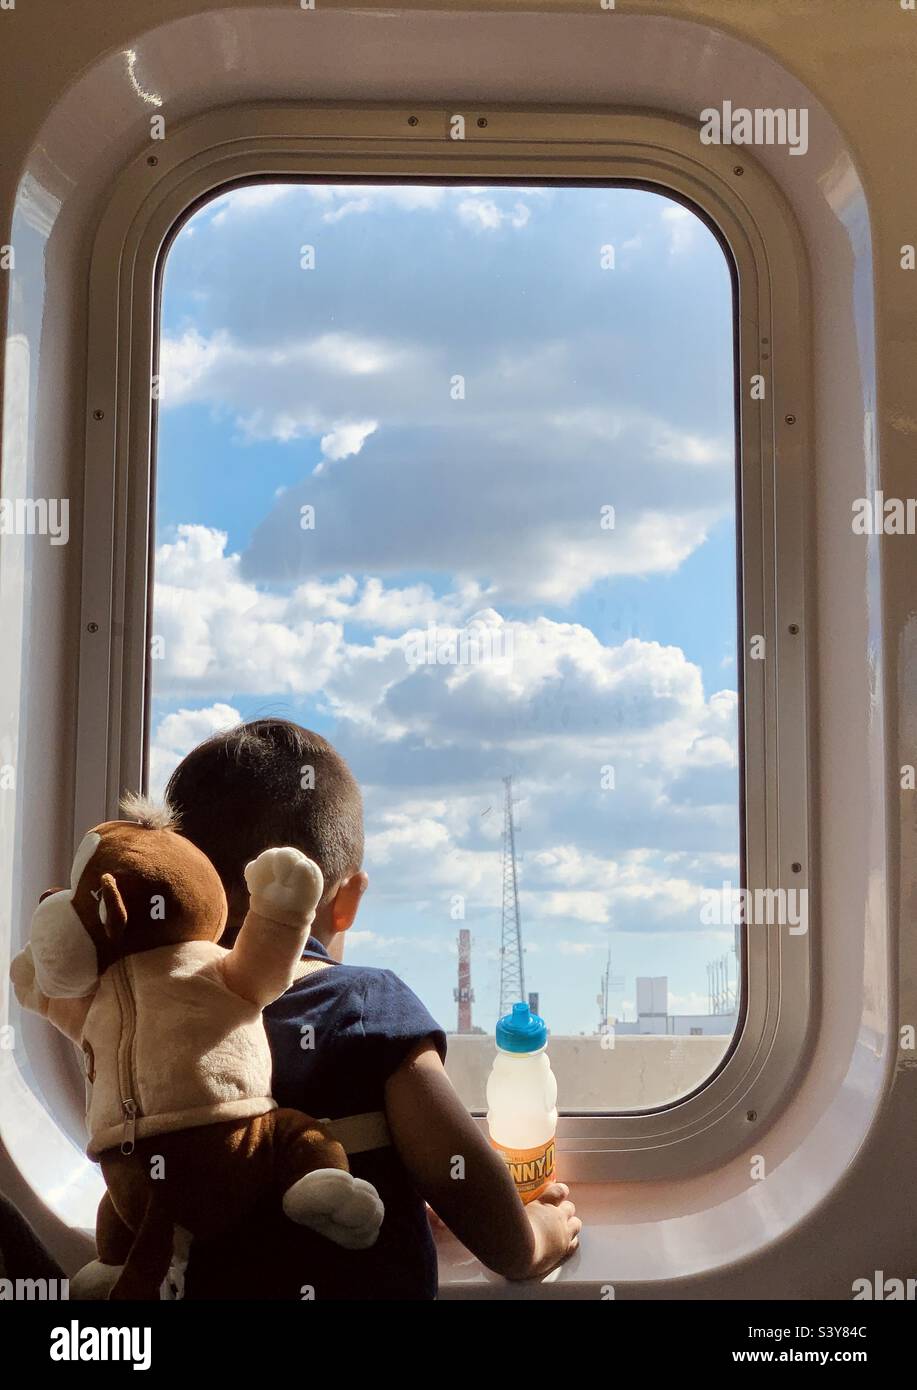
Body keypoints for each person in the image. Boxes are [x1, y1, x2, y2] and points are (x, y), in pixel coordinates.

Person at [165, 717, 579, 1299]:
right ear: (347, 901)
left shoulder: (162, 1017)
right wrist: (534, 1238)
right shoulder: (364, 1004)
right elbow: (458, 1172)